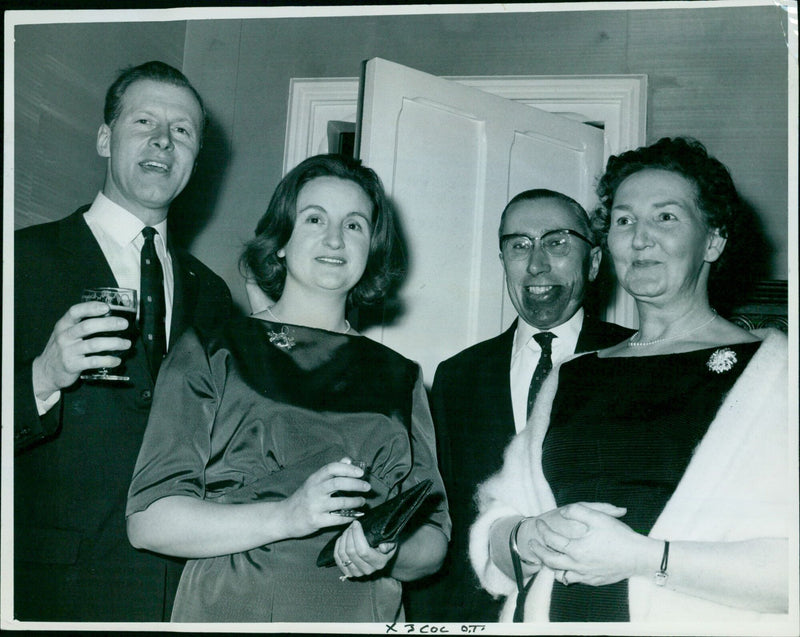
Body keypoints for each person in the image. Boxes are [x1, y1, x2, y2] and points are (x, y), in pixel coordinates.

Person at [470, 137, 789, 623]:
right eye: (624, 220)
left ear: (713, 239)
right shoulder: (573, 375)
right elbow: (496, 525)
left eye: (666, 217)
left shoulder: (775, 373)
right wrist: (523, 536)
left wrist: (645, 558)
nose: (640, 238)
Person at [125, 153, 450, 623]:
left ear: (372, 249)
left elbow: (434, 543)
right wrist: (287, 516)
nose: (335, 238)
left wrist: (388, 552)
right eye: (314, 218)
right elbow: (148, 522)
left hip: (362, 615)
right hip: (236, 608)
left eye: (355, 225)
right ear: (280, 241)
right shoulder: (213, 349)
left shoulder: (400, 374)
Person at [14, 60, 233, 621]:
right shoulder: (21, 260)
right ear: (105, 138)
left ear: (194, 158)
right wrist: (42, 376)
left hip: (181, 595)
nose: (163, 140)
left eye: (182, 130)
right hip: (54, 590)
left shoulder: (212, 295)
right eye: (144, 122)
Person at [404, 189, 633, 622]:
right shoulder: (457, 376)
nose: (536, 264)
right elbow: (443, 516)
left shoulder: (634, 359)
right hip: (478, 611)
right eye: (519, 245)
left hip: (592, 608)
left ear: (595, 261)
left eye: (557, 242)